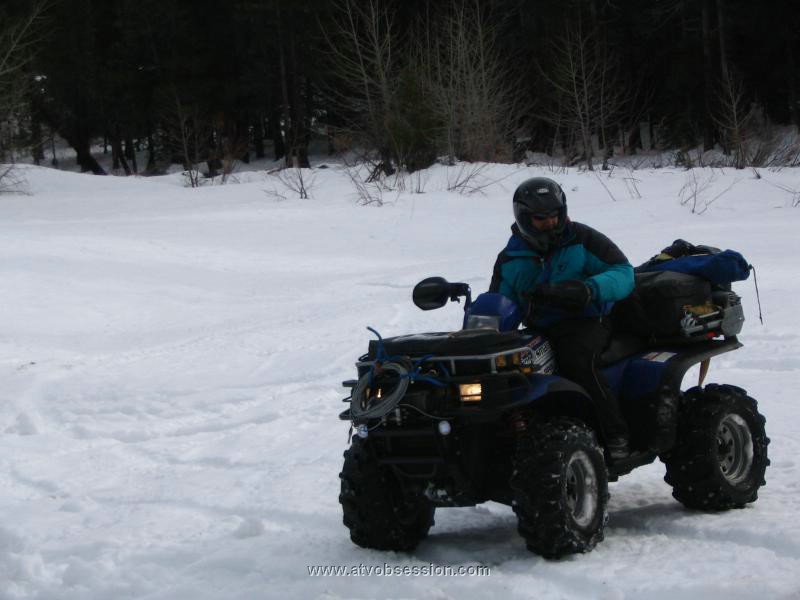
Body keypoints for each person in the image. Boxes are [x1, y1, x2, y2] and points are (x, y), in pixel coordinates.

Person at [489, 177, 635, 459]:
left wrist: (588, 289)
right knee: (503, 370)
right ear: (524, 218)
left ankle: (614, 434)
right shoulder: (510, 257)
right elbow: (500, 301)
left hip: (586, 321)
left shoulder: (582, 239)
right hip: (538, 327)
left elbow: (623, 273)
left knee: (576, 359)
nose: (551, 223)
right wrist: (488, 329)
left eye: (555, 215)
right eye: (541, 218)